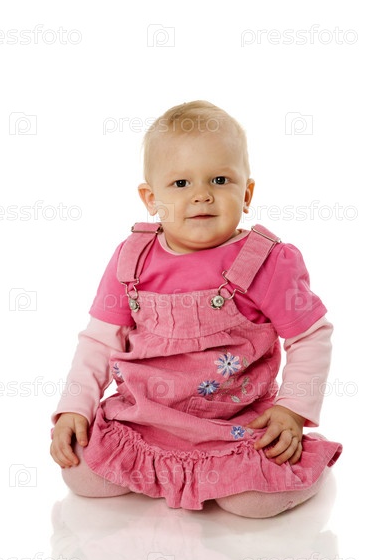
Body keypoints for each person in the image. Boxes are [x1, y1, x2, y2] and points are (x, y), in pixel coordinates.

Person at [50, 100, 342, 518]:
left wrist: (292, 410)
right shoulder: (132, 258)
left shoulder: (268, 262)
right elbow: (99, 340)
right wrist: (75, 406)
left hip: (235, 419)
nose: (202, 194)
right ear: (151, 198)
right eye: (181, 183)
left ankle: (304, 468)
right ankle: (158, 466)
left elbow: (310, 336)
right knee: (82, 475)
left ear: (247, 194)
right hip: (145, 416)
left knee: (253, 504)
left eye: (220, 180)